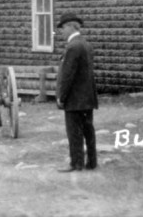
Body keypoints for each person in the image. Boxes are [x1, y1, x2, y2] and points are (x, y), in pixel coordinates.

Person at [55, 12, 98, 172]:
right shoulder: (86, 44)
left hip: (74, 99)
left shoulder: (72, 47)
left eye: (62, 28)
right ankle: (92, 162)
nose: (61, 32)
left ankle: (76, 163)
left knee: (74, 132)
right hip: (87, 97)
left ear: (70, 27)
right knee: (88, 130)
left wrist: (61, 96)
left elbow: (67, 76)